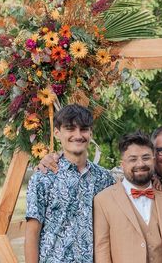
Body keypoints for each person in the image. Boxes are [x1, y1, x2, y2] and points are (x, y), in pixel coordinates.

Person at [24, 104, 114, 263]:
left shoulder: (105, 179)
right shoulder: (43, 178)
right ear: (57, 133)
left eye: (84, 129)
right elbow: (32, 234)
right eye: (70, 129)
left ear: (91, 133)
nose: (78, 135)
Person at [93, 131, 162, 263]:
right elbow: (101, 250)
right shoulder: (103, 200)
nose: (140, 164)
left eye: (145, 158)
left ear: (153, 160)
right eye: (133, 159)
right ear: (122, 164)